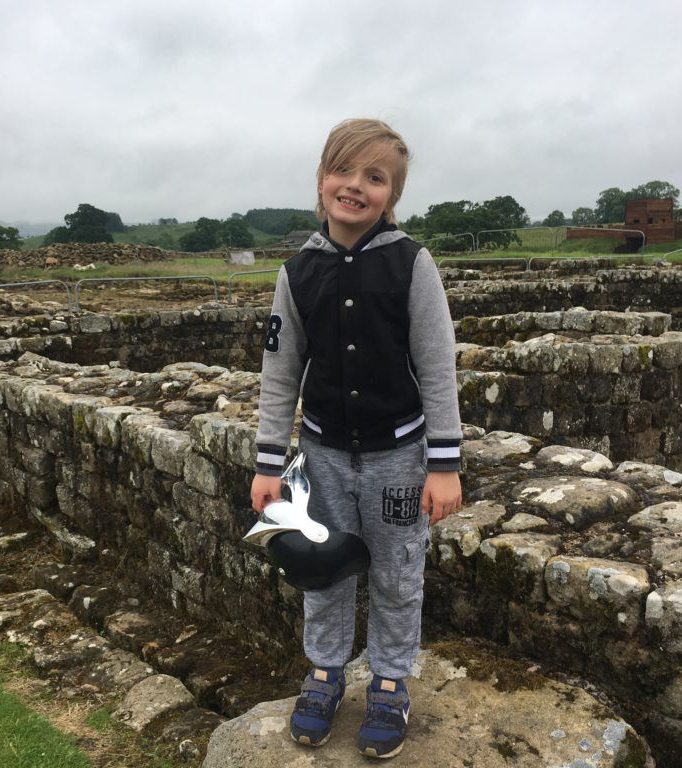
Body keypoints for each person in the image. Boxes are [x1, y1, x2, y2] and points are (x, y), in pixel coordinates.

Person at [250, 118, 463, 759]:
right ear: (322, 180)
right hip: (321, 455)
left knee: (398, 573)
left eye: (376, 178)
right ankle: (324, 673)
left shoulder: (412, 264)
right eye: (345, 171)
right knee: (323, 570)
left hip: (400, 455)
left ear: (390, 196)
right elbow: (280, 371)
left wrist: (444, 464)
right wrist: (268, 461)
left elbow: (436, 363)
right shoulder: (297, 272)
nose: (356, 186)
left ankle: (391, 680)